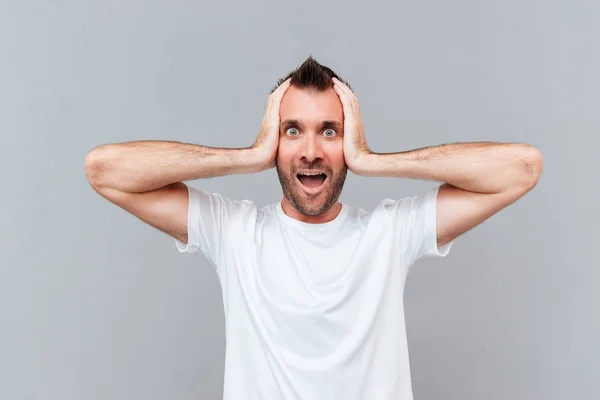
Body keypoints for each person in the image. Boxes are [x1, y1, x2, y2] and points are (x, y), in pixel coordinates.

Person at [85, 56, 543, 400]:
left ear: (348, 142)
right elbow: (105, 169)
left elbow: (521, 167)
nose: (310, 151)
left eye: (329, 131)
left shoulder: (388, 234)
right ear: (274, 141)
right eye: (291, 131)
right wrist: (247, 156)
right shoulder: (233, 231)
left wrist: (372, 160)